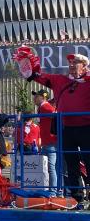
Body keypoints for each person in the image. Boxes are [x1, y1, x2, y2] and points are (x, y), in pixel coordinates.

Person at [19, 51, 90, 204]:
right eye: (70, 62)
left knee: (89, 162)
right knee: (71, 165)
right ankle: (77, 199)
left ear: (84, 66)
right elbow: (40, 76)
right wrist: (29, 67)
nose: (72, 65)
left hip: (87, 128)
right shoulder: (60, 80)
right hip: (66, 129)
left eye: (76, 62)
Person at [32, 89, 60, 196]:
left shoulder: (45, 106)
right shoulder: (42, 107)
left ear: (43, 97)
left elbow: (56, 114)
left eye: (37, 96)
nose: (34, 98)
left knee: (51, 168)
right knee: (49, 168)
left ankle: (53, 191)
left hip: (50, 142)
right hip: (47, 142)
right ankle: (53, 190)